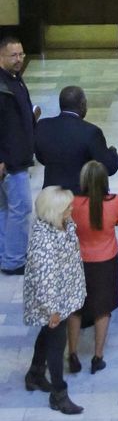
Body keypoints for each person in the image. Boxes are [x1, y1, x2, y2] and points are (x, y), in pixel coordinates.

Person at [22, 185, 85, 415]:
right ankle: (59, 393)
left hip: (64, 296)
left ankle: (35, 374)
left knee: (47, 335)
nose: (72, 209)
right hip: (53, 303)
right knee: (57, 346)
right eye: (68, 206)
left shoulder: (61, 226)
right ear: (55, 211)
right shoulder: (44, 244)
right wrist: (53, 311)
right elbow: (45, 281)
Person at [67, 159, 118, 374]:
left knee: (76, 308)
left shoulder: (72, 203)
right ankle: (97, 356)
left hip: (78, 260)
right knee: (103, 308)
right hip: (105, 260)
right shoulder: (114, 202)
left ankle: (72, 353)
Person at [0, 32, 38, 275]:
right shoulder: (3, 85)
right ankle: (14, 260)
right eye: (13, 55)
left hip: (16, 157)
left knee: (6, 209)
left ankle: (6, 255)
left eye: (21, 54)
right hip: (10, 161)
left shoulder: (14, 79)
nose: (19, 59)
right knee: (21, 208)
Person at [35, 85, 118, 193]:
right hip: (80, 198)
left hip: (51, 197)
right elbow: (108, 167)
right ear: (83, 105)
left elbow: (40, 157)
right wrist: (113, 152)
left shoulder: (42, 126)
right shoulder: (91, 132)